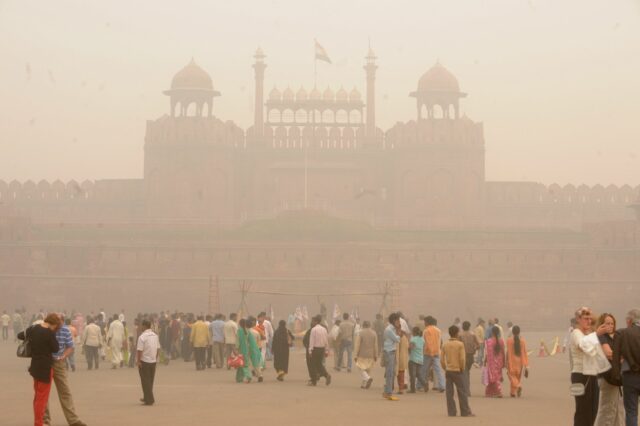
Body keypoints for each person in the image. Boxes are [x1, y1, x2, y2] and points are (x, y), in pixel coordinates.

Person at [570, 306, 613, 426]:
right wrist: (597, 334)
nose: (589, 321)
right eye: (585, 318)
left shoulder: (589, 334)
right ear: (578, 319)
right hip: (580, 375)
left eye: (590, 319)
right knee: (582, 410)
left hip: (593, 375)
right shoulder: (576, 333)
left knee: (593, 410)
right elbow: (583, 345)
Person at [18, 313, 61, 426]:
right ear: (54, 323)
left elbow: (20, 335)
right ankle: (38, 423)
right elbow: (56, 348)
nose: (55, 329)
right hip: (45, 368)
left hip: (35, 367)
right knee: (42, 398)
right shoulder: (49, 333)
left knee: (37, 396)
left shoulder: (34, 328)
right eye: (56, 326)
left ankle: (38, 421)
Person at [43, 314, 86, 426]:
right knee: (44, 393)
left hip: (59, 363)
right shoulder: (46, 329)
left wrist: (64, 356)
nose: (59, 326)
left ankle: (73, 420)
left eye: (60, 323)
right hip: (45, 363)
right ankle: (45, 420)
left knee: (65, 392)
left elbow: (70, 346)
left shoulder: (65, 330)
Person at [593, 313, 624, 426]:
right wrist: (623, 355)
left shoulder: (615, 337)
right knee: (607, 409)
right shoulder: (601, 337)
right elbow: (608, 353)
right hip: (606, 377)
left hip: (616, 377)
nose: (610, 326)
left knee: (618, 409)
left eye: (612, 323)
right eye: (607, 323)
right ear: (601, 325)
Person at [612, 308, 640, 426]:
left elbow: (616, 356)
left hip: (630, 376)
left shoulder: (622, 333)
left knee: (631, 412)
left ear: (629, 320)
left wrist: (616, 376)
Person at [441, 325, 474, 417]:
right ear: (456, 333)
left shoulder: (445, 344)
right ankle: (465, 411)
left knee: (449, 393)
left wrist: (445, 368)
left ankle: (451, 412)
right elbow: (462, 359)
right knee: (462, 392)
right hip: (458, 370)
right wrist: (462, 368)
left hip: (449, 370)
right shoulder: (460, 344)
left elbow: (442, 359)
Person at [137, 319, 160, 406]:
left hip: (144, 361)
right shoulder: (155, 335)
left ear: (144, 326)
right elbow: (158, 349)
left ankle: (149, 399)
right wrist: (155, 358)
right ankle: (146, 397)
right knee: (150, 380)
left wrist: (138, 361)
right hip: (153, 361)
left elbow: (139, 350)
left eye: (141, 325)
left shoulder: (142, 337)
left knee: (145, 381)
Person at [422, 316, 445, 392]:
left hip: (428, 353)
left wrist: (430, 351)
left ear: (428, 322)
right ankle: (442, 385)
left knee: (424, 370)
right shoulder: (438, 330)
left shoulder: (426, 331)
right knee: (438, 370)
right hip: (437, 352)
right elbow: (440, 341)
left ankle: (421, 385)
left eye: (425, 322)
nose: (424, 323)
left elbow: (428, 342)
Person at [308, 315, 331, 386]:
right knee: (319, 364)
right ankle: (326, 375)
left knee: (313, 365)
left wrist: (310, 351)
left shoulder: (313, 329)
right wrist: (327, 350)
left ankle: (314, 381)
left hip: (315, 349)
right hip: (322, 349)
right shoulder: (324, 329)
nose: (312, 322)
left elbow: (312, 341)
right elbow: (326, 340)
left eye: (313, 321)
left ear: (316, 321)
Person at [506, 325, 529, 398]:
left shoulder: (509, 341)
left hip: (512, 360)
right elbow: (524, 352)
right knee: (517, 377)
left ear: (512, 332)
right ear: (519, 332)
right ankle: (512, 392)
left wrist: (506, 361)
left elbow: (508, 352)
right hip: (520, 362)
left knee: (511, 376)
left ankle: (518, 386)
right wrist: (526, 364)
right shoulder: (522, 341)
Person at [354, 320, 378, 389]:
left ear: (363, 325)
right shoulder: (374, 333)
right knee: (367, 369)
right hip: (371, 354)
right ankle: (363, 384)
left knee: (360, 368)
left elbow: (357, 345)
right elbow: (376, 345)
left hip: (362, 354)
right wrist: (376, 355)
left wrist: (355, 355)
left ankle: (368, 378)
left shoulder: (360, 333)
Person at [383, 313, 401, 400]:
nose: (399, 322)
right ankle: (388, 393)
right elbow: (397, 339)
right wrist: (399, 332)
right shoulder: (389, 329)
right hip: (389, 351)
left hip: (390, 351)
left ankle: (387, 391)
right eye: (398, 320)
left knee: (390, 372)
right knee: (390, 373)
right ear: (394, 320)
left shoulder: (391, 328)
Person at [484, 326, 505, 398]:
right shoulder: (501, 341)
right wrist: (504, 362)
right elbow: (503, 352)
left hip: (492, 362)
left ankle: (499, 392)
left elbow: (488, 353)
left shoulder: (489, 341)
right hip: (499, 361)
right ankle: (489, 392)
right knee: (495, 376)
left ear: (492, 332)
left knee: (493, 377)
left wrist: (485, 361)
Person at [460, 320, 480, 396]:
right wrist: (474, 349)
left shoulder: (460, 335)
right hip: (470, 356)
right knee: (467, 372)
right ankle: (466, 390)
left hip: (463, 355)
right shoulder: (473, 334)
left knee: (464, 373)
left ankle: (466, 391)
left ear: (463, 327)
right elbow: (478, 345)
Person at [408, 326, 426, 393]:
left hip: (413, 359)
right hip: (420, 359)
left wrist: (409, 351)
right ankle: (424, 383)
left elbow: (410, 348)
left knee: (412, 375)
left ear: (414, 332)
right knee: (418, 374)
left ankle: (412, 389)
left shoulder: (413, 339)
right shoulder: (422, 339)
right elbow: (423, 349)